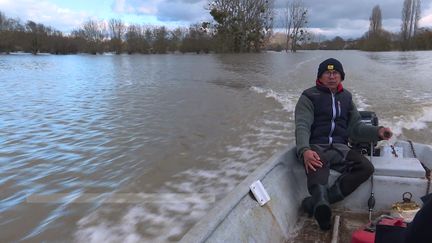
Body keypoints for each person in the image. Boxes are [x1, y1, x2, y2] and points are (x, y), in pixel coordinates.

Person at [294, 58, 392, 230]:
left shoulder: (346, 97)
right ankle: (321, 207)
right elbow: (302, 125)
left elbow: (356, 128)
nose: (332, 76)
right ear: (320, 76)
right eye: (327, 73)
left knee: (366, 167)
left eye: (335, 73)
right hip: (316, 145)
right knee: (316, 163)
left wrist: (377, 132)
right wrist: (304, 150)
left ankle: (319, 203)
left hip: (340, 147)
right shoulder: (309, 96)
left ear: (341, 76)